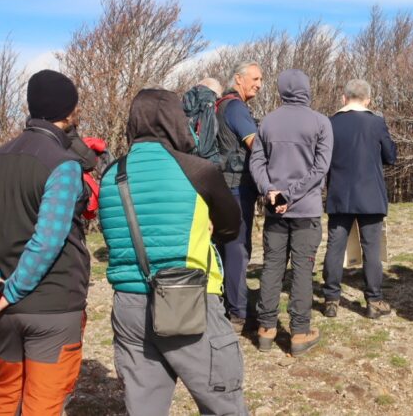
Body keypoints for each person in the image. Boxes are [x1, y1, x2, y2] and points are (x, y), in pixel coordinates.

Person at [97, 89, 246, 415]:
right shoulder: (197, 171)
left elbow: (111, 235)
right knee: (223, 404)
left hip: (129, 307)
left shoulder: (110, 176)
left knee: (144, 409)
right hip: (189, 301)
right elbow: (231, 227)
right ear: (176, 121)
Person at [0, 70, 89, 415]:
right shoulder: (62, 165)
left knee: (7, 396)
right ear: (69, 111)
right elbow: (47, 241)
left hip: (5, 306)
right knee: (42, 405)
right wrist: (11, 291)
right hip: (52, 305)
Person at [249, 69, 332, 356]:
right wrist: (291, 195)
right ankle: (299, 332)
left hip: (275, 210)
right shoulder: (321, 123)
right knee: (302, 270)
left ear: (281, 90)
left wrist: (270, 191)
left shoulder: (267, 122)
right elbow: (320, 169)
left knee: (272, 267)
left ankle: (266, 328)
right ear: (307, 89)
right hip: (305, 210)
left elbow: (256, 163)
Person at [322, 79, 397, 320]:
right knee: (371, 249)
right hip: (370, 194)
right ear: (368, 100)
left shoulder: (331, 123)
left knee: (335, 246)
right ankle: (374, 300)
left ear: (344, 98)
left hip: (339, 193)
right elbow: (391, 155)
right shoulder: (376, 122)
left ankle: (331, 299)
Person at [216, 62, 263, 331]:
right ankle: (238, 311)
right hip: (236, 187)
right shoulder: (235, 108)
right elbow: (255, 144)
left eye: (261, 79)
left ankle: (226, 303)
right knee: (237, 249)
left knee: (225, 247)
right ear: (238, 78)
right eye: (254, 78)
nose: (258, 83)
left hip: (221, 185)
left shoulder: (221, 104)